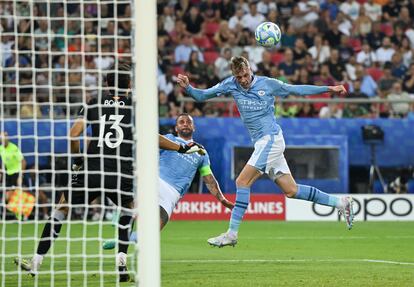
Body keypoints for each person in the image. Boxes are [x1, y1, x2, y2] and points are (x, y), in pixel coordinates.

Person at [14, 63, 205, 282]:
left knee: (62, 207)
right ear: (129, 83)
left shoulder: (93, 102)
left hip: (93, 168)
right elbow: (153, 137)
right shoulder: (135, 106)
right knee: (127, 211)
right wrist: (181, 147)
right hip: (120, 172)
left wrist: (78, 160)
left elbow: (73, 135)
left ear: (107, 83)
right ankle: (121, 264)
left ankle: (36, 262)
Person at [176, 56, 354, 248]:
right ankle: (341, 203)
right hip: (263, 143)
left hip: (271, 140)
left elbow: (297, 89)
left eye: (245, 75)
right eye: (239, 76)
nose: (242, 80)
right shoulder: (230, 84)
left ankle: (232, 233)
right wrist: (188, 88)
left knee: (242, 181)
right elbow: (202, 96)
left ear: (250, 69)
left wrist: (328, 89)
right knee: (291, 190)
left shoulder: (268, 84)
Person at [101, 113, 234, 249]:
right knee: (134, 207)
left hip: (172, 193)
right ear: (176, 128)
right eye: (181, 122)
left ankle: (123, 240)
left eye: (189, 122)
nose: (185, 124)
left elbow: (209, 179)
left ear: (194, 127)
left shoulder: (201, 152)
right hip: (154, 181)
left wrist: (222, 199)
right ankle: (120, 212)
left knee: (152, 231)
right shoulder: (169, 139)